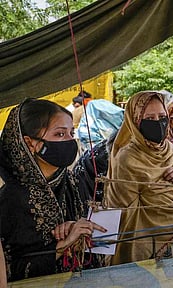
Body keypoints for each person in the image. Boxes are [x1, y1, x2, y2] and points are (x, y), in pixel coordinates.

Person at [0, 99, 106, 281]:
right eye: (59, 134)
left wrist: (78, 227)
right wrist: (63, 246)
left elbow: (98, 240)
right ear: (30, 143)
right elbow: (10, 270)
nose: (70, 141)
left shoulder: (73, 183)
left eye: (71, 133)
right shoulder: (11, 198)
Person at [105, 91, 173, 265]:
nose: (158, 123)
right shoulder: (126, 158)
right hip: (143, 245)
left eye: (162, 116)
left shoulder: (172, 151)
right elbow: (123, 211)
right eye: (150, 118)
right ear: (136, 121)